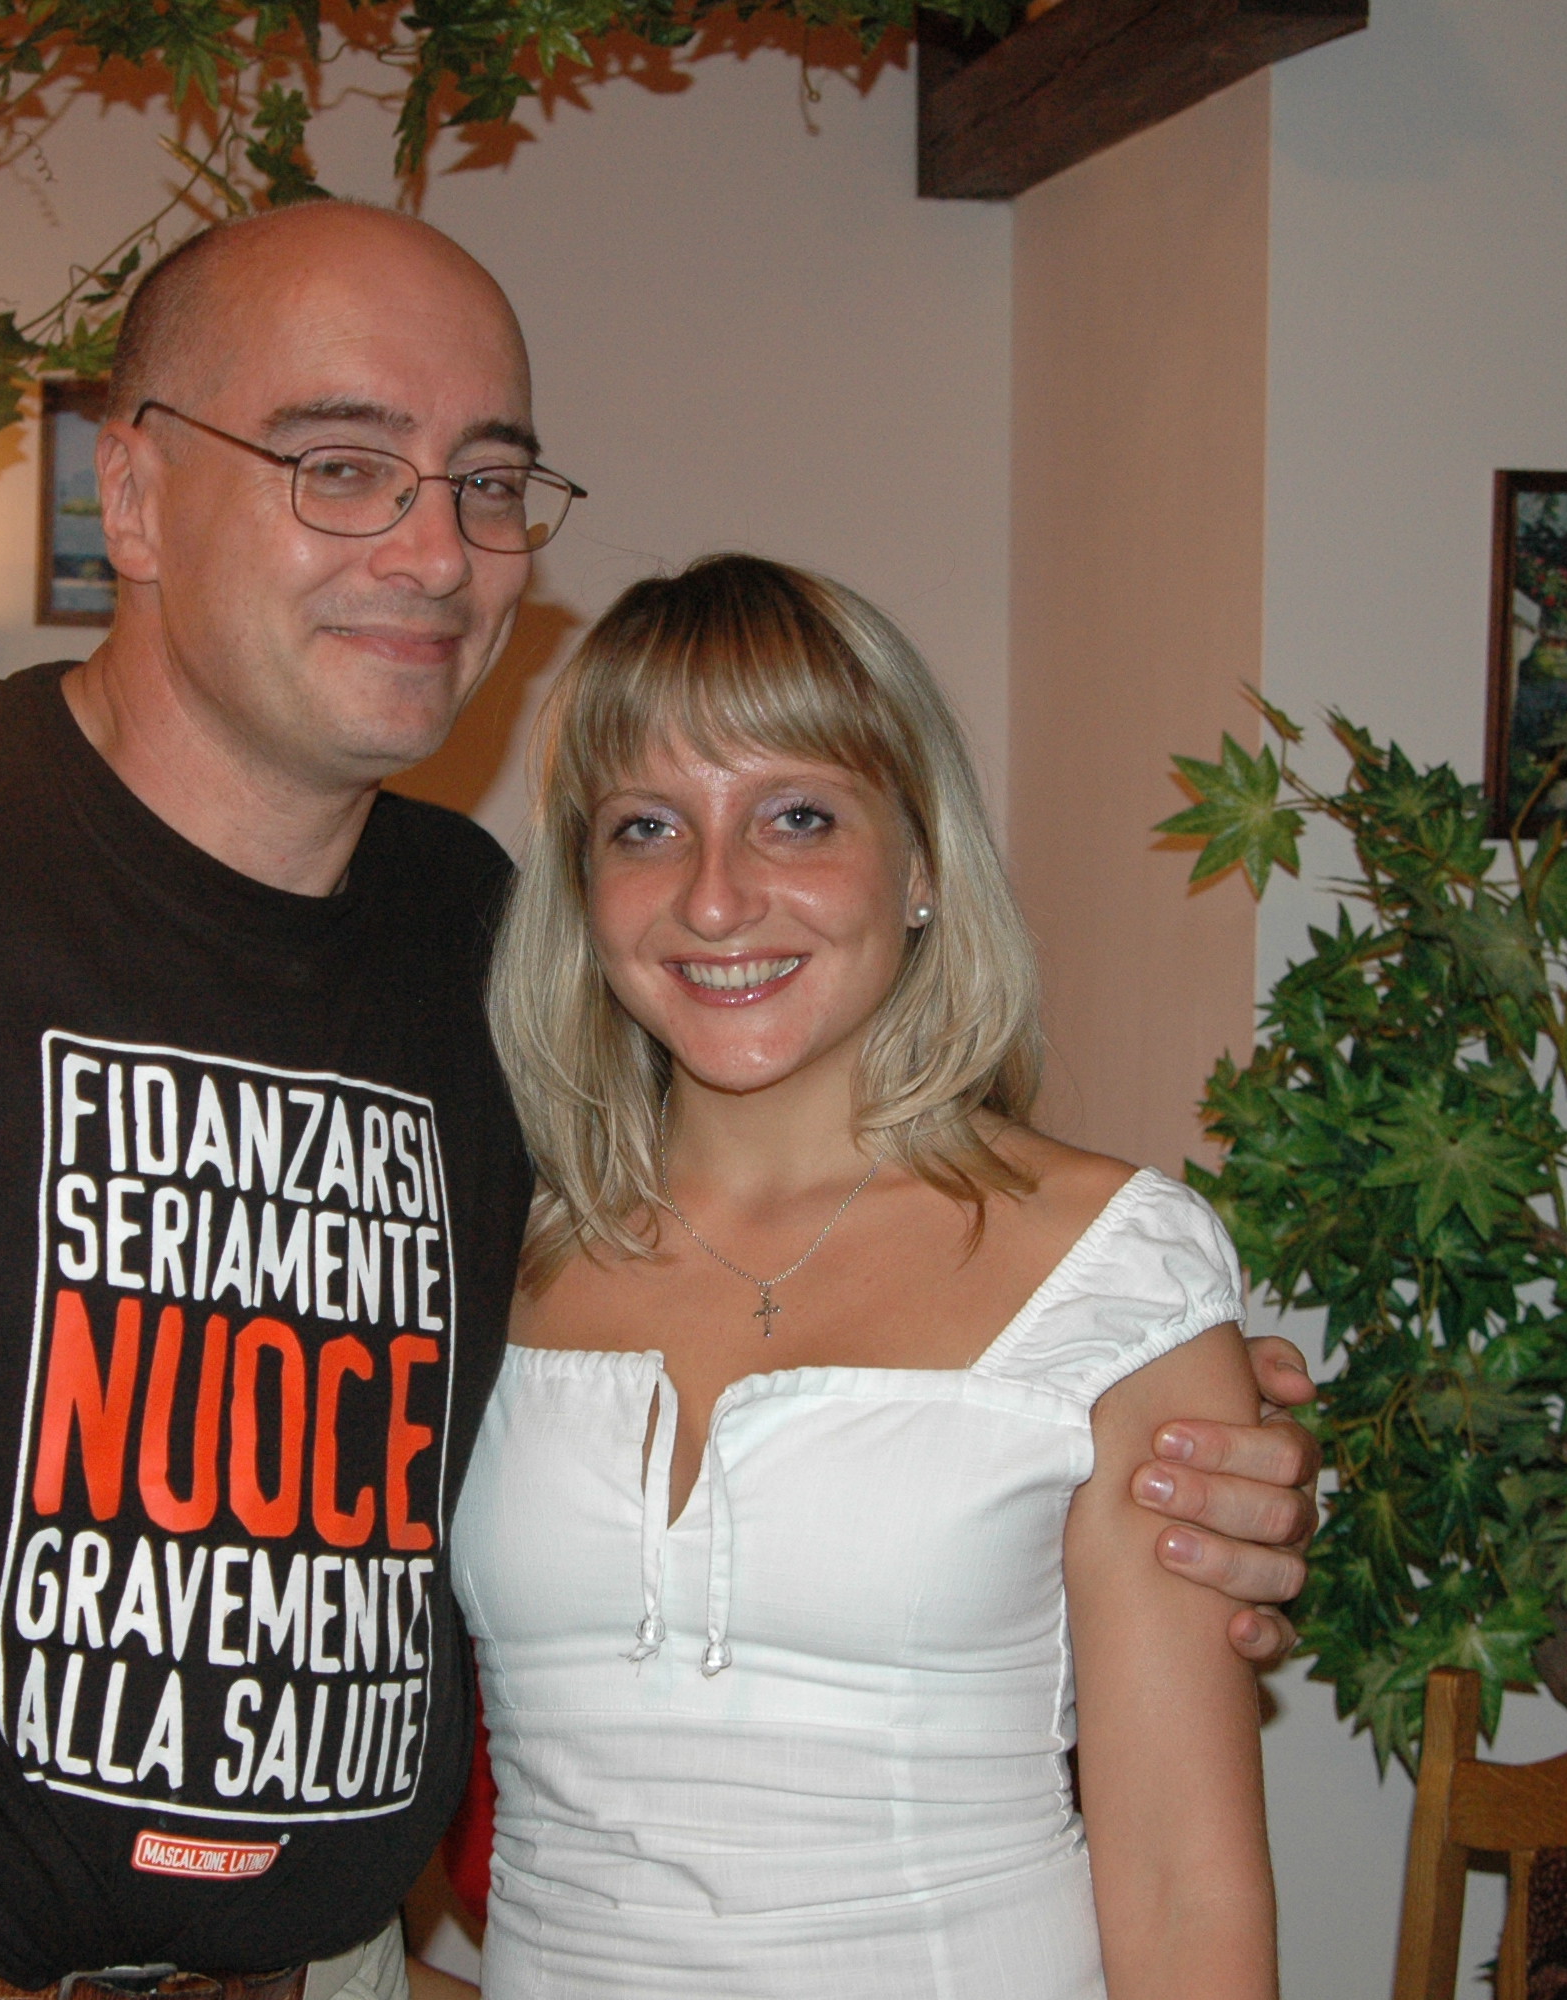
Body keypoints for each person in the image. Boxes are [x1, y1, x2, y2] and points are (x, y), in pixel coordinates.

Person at [0, 201, 1315, 2000]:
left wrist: (1156, 1413)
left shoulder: (498, 956)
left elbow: (797, 1318)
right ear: (135, 492)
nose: (437, 548)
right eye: (342, 463)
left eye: (487, 481)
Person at [455, 555, 1274, 1996]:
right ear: (581, 889)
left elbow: (1182, 1892)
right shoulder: (479, 1244)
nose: (716, 899)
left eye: (797, 816)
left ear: (922, 864)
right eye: (646, 826)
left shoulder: (1111, 1270)